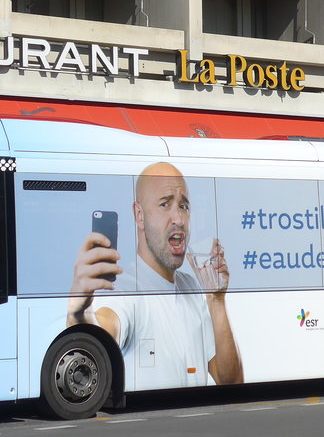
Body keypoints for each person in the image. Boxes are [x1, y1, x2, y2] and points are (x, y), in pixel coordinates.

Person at [67, 162, 243, 389]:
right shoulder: (124, 290)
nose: (178, 219)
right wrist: (78, 313)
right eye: (165, 204)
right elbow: (103, 333)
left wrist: (216, 300)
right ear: (139, 215)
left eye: (183, 206)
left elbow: (231, 382)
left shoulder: (191, 286)